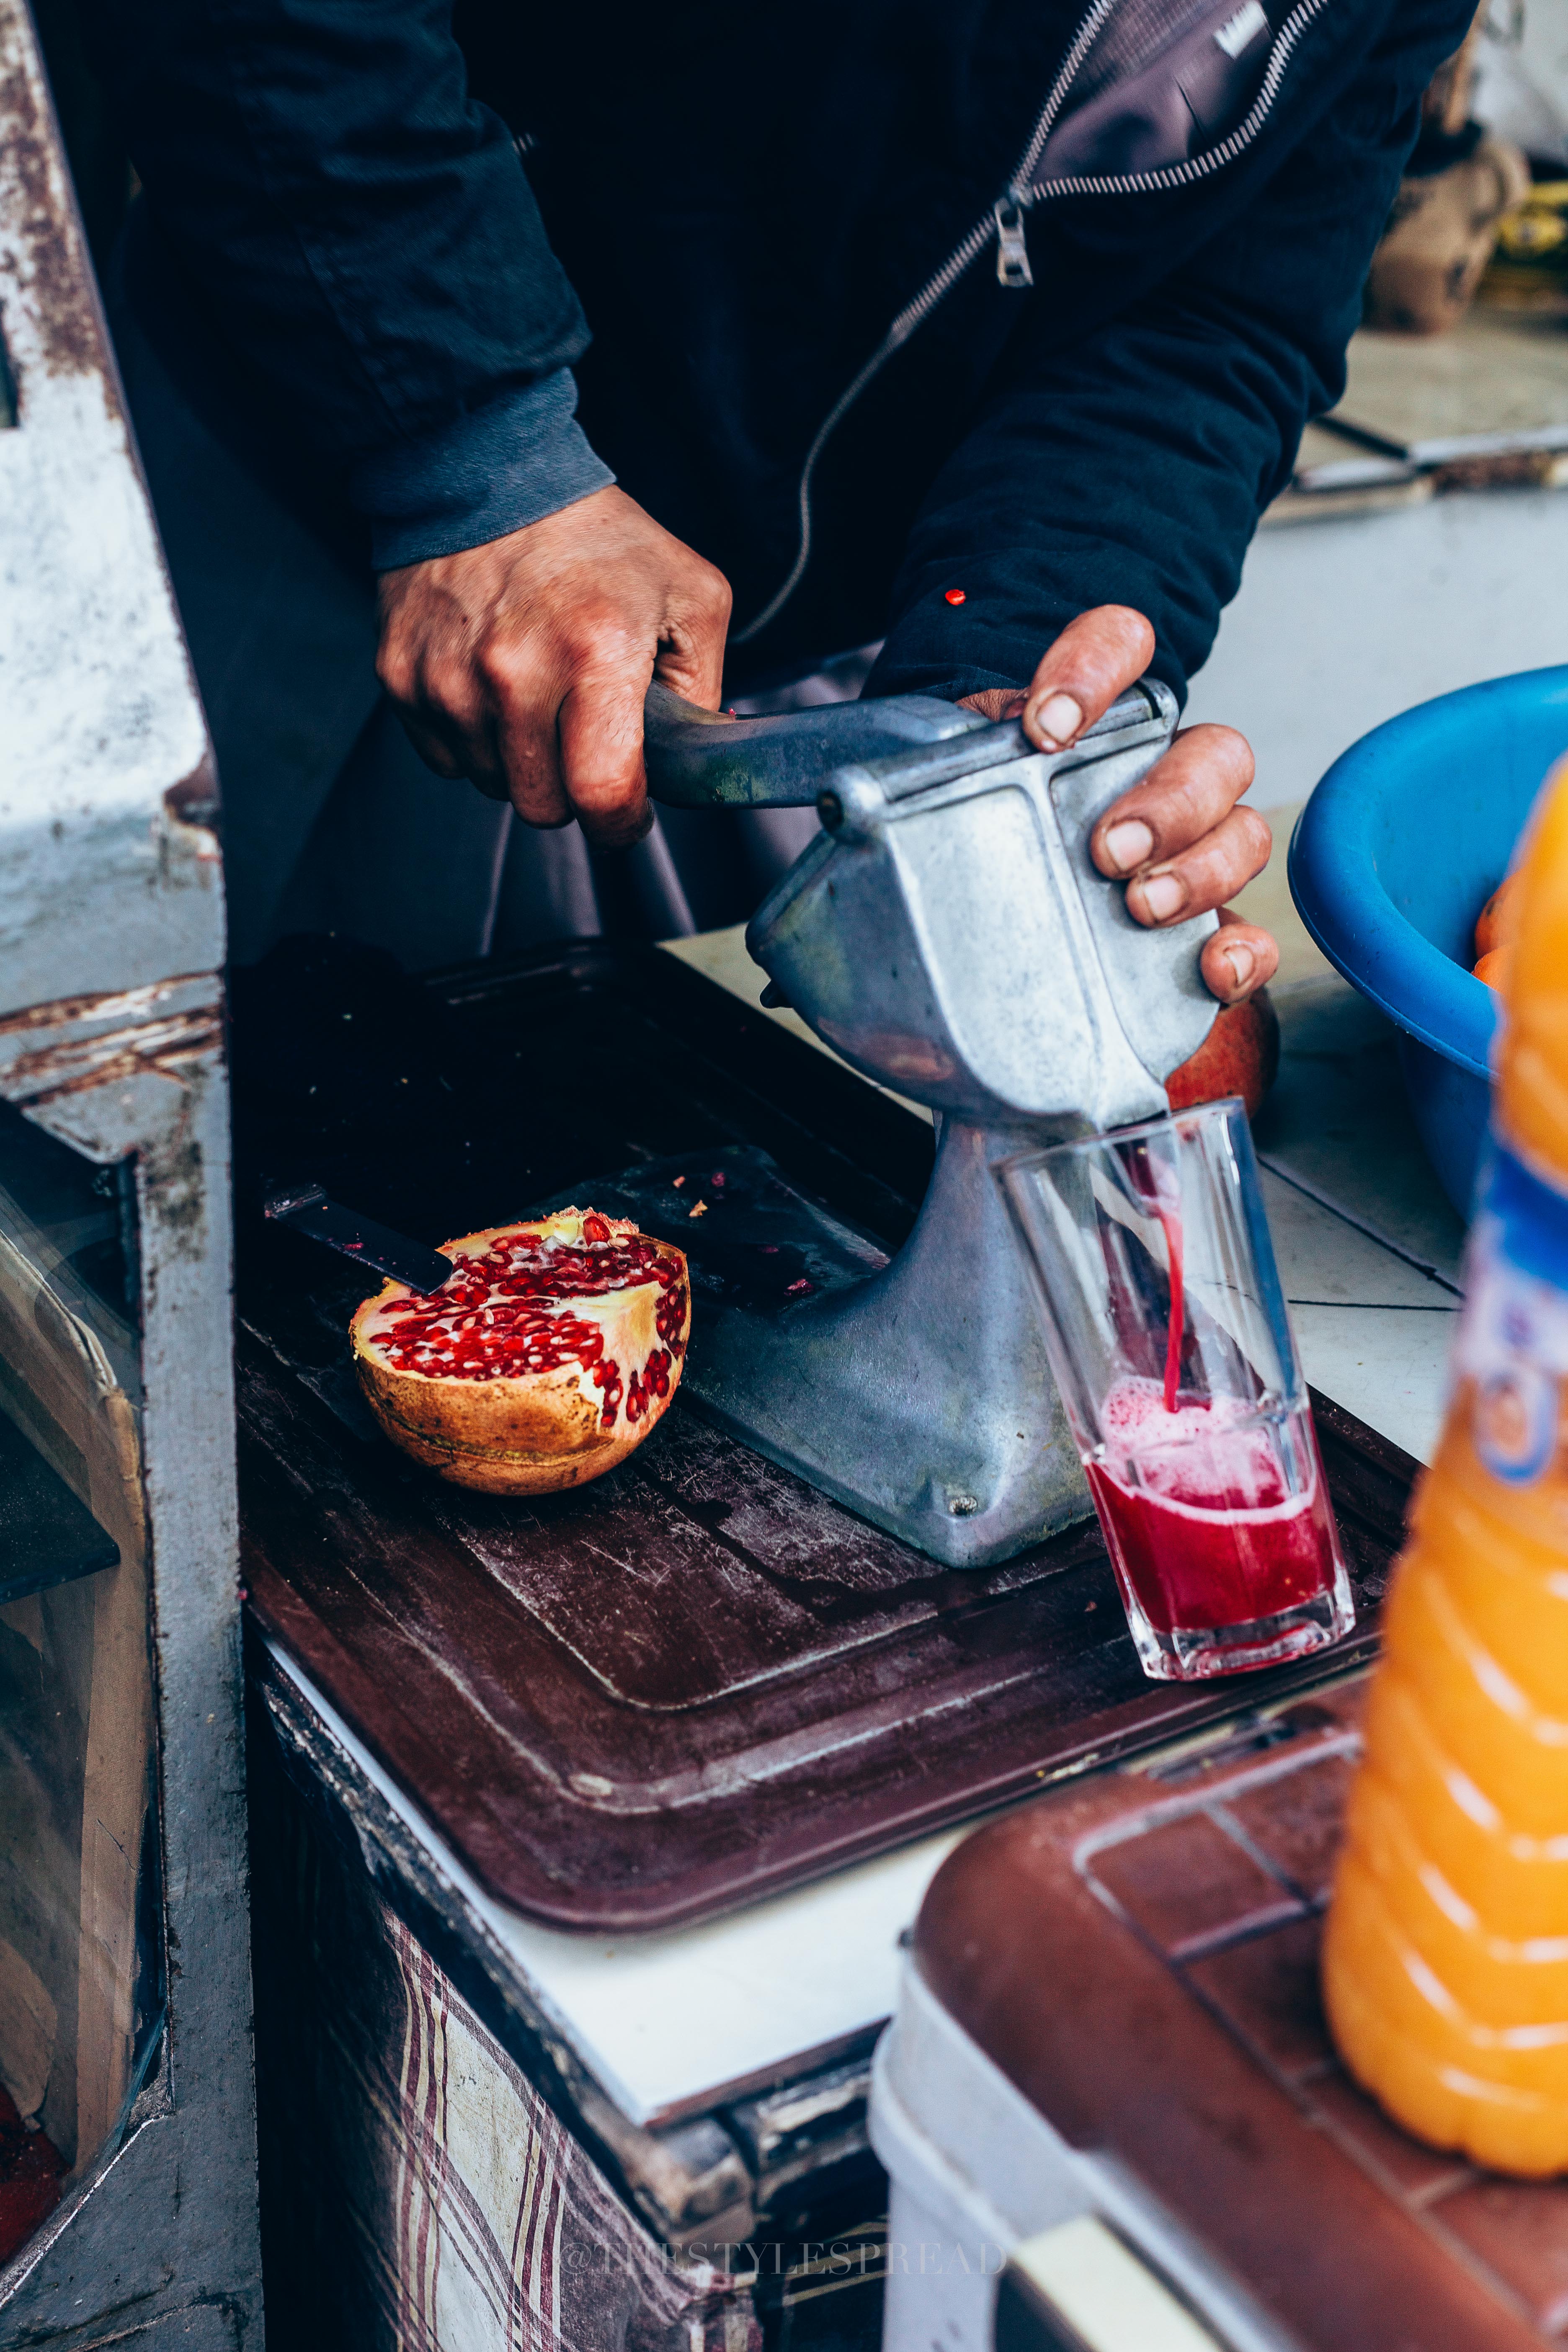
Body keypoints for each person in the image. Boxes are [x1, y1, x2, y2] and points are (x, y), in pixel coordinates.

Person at [88, 0, 1472, 979]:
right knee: (109, 1158)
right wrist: (470, 438)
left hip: (748, 643)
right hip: (291, 439)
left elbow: (1209, 322)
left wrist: (1009, 680)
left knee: (476, 1143)